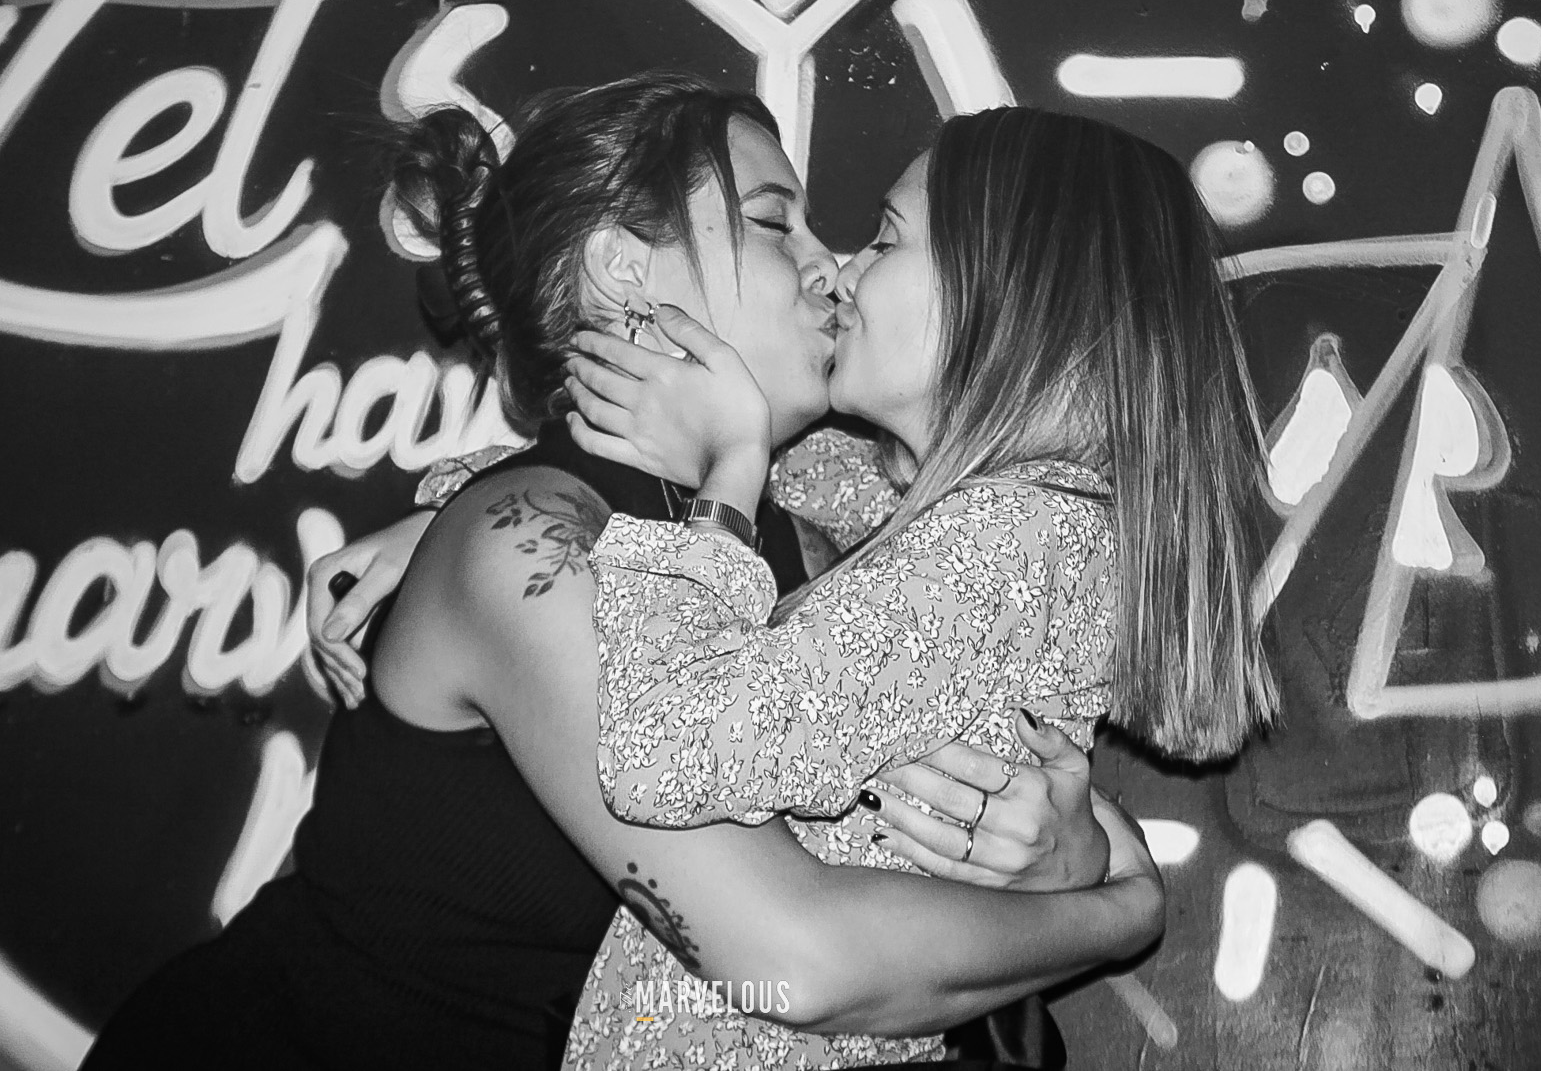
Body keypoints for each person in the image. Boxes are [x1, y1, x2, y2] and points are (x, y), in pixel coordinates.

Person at [83, 76, 1163, 1071]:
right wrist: (1119, 912)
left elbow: (1003, 639)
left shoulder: (820, 528)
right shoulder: (524, 545)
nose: (827, 264)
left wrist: (1078, 846)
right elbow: (800, 958)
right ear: (623, 268)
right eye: (773, 222)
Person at [555, 106, 1281, 1066]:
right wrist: (492, 497)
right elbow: (800, 477)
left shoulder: (1011, 544)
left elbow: (656, 754)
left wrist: (728, 475)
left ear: (1007, 293)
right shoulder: (1002, 519)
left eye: (887, 239)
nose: (842, 270)